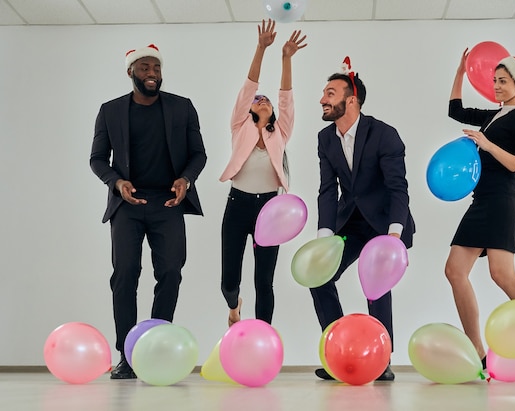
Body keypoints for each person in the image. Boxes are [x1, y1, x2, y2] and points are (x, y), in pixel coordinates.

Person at [90, 44, 207, 379]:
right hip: (128, 205)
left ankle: (156, 345)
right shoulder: (110, 111)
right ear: (131, 72)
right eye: (144, 68)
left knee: (170, 272)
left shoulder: (182, 108)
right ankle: (127, 354)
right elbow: (97, 159)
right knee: (125, 274)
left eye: (156, 67)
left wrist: (186, 179)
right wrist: (116, 182)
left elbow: (198, 155)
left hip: (167, 203)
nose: (152, 73)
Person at [444, 49, 515, 380]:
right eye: (494, 80)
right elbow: (455, 110)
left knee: (502, 275)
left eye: (503, 80)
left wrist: (488, 145)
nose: (496, 86)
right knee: (454, 271)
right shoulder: (493, 115)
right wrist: (460, 72)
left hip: (503, 199)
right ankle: (476, 352)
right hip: (482, 199)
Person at [310, 58, 415, 381]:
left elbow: (398, 188)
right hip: (350, 222)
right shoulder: (326, 138)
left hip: (385, 224)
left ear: (351, 100)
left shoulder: (384, 135)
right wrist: (325, 234)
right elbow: (327, 190)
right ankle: (339, 351)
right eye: (324, 93)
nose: (322, 99)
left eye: (330, 93)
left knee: (376, 285)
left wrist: (393, 235)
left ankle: (380, 360)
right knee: (319, 277)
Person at [219, 19, 307, 327]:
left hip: (269, 210)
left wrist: (286, 58)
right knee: (229, 281)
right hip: (237, 205)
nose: (263, 99)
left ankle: (262, 334)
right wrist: (261, 48)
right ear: (249, 108)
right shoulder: (239, 126)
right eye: (258, 100)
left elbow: (286, 96)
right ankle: (234, 306)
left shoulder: (280, 131)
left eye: (266, 99)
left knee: (264, 281)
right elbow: (249, 87)